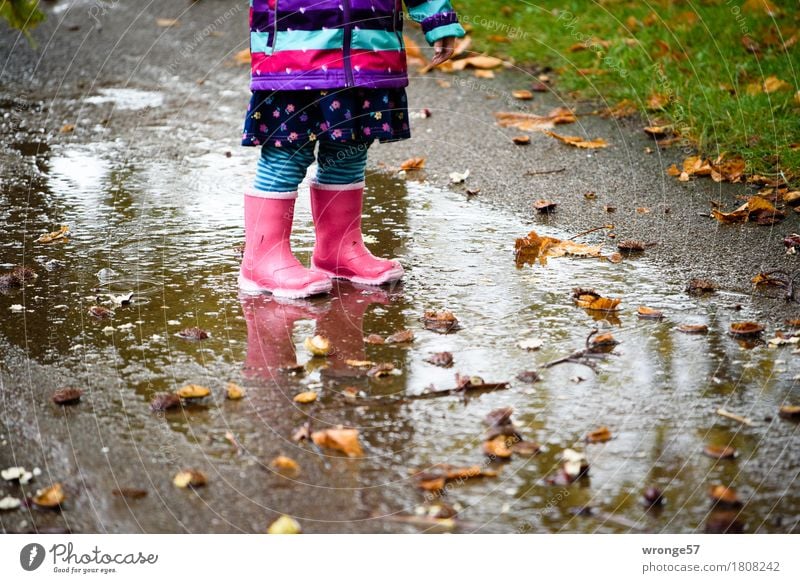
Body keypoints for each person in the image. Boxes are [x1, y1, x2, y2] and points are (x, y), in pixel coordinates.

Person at [238, 0, 465, 298]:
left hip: (370, 52)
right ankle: (263, 257)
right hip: (294, 51)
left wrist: (438, 19)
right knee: (288, 154)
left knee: (350, 149)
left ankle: (339, 250)